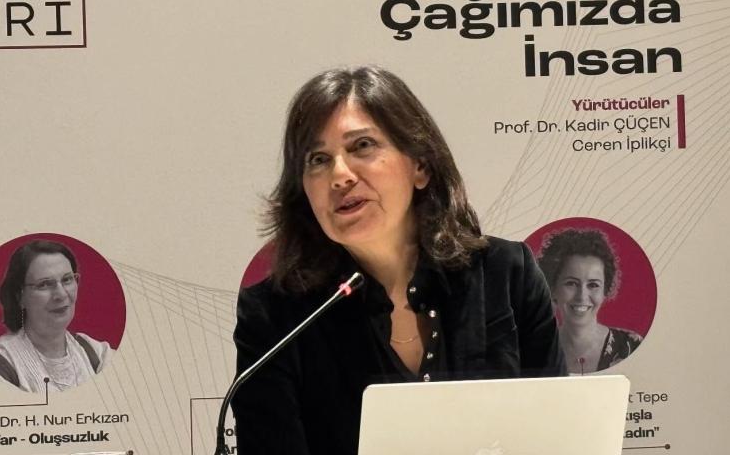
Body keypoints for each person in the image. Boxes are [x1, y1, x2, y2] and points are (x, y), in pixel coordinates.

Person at [232, 66, 565, 455]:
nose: (340, 176)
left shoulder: (507, 275)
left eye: (362, 146)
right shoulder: (275, 317)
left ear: (420, 165)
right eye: (318, 159)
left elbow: (559, 435)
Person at [0, 240, 112, 392]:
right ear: (19, 297)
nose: (61, 294)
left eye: (67, 279)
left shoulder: (97, 353)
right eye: (44, 284)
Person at [537, 228, 643, 374]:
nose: (582, 296)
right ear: (553, 288)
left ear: (605, 290)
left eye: (593, 285)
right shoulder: (533, 350)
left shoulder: (631, 346)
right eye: (571, 283)